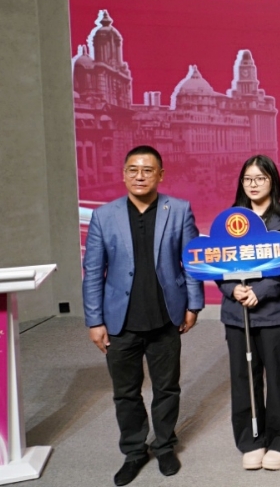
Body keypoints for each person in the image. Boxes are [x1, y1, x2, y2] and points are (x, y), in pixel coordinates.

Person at [82, 146, 204, 486]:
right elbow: (93, 273)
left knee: (167, 388)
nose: (140, 176)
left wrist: (193, 305)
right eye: (133, 169)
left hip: (166, 316)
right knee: (126, 392)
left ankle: (164, 446)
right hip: (119, 321)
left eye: (148, 170)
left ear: (160, 175)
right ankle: (134, 451)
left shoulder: (178, 210)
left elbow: (191, 262)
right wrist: (94, 320)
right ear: (123, 174)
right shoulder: (103, 216)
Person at [216, 155, 280, 471]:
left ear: (272, 181)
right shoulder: (229, 220)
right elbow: (215, 260)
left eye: (260, 178)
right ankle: (251, 439)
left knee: (279, 378)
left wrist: (261, 291)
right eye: (248, 179)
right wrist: (231, 289)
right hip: (236, 313)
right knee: (243, 378)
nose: (253, 185)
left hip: (275, 312)